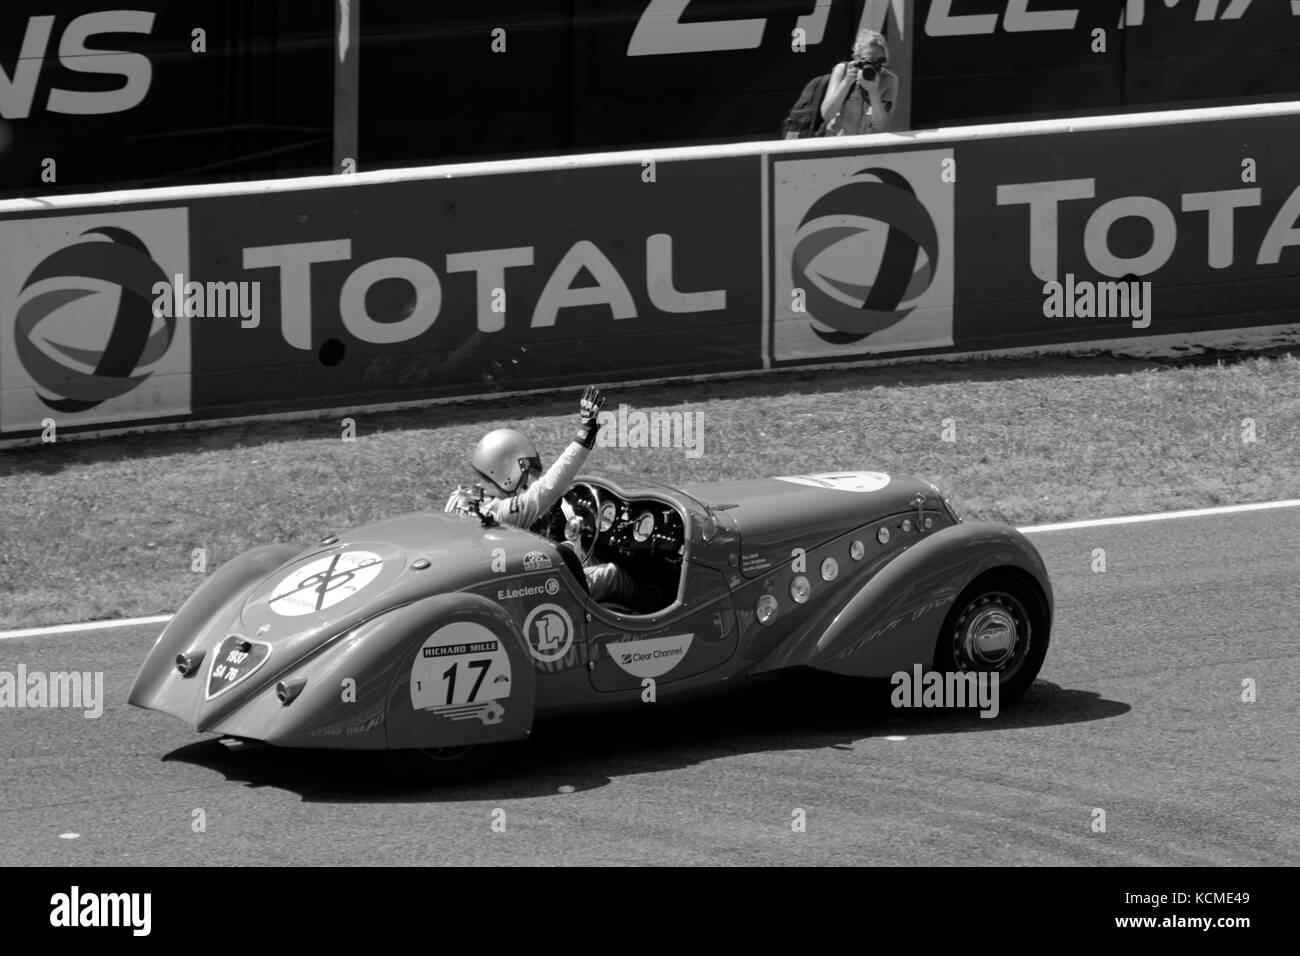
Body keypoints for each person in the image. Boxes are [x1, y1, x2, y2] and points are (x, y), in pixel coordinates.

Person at [445, 386, 659, 611]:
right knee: (612, 575)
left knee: (571, 550)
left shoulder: (459, 499)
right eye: (526, 474)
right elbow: (548, 488)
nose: (528, 482)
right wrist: (585, 436)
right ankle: (658, 607)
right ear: (507, 471)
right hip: (528, 595)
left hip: (493, 588)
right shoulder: (499, 514)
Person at [820, 29, 898, 136]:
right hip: (838, 143)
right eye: (868, 61)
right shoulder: (843, 71)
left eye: (878, 62)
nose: (872, 67)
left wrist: (873, 93)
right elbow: (826, 114)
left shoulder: (889, 80)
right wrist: (846, 83)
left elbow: (882, 126)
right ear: (857, 58)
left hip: (869, 146)